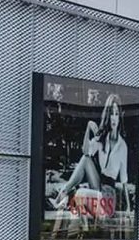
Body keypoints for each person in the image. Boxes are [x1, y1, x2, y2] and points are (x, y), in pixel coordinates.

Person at [50, 93, 131, 221]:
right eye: (111, 113)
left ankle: (64, 196)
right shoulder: (102, 139)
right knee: (86, 159)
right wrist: (88, 129)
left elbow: (124, 180)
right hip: (98, 187)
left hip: (108, 197)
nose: (114, 118)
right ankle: (64, 193)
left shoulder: (123, 146)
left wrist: (128, 208)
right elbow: (86, 151)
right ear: (108, 116)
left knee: (80, 193)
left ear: (119, 116)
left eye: (116, 113)